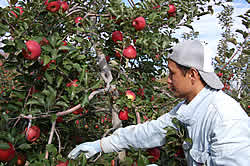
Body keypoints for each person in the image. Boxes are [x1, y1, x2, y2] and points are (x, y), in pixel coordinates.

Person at [68, 40, 250, 165]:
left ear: (192, 74)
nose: (168, 80)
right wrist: (101, 145)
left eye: (172, 73)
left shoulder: (225, 118)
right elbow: (151, 131)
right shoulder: (187, 109)